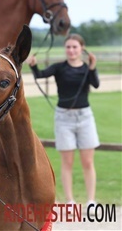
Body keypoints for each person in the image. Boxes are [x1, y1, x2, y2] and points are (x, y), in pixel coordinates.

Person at [27, 34, 100, 212]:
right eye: (68, 47)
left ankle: (91, 201)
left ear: (82, 48)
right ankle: (70, 201)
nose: (71, 50)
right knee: (67, 162)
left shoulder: (86, 69)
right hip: (64, 119)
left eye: (75, 47)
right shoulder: (59, 67)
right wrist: (33, 65)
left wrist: (92, 67)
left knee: (88, 162)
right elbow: (40, 75)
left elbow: (96, 84)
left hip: (85, 118)